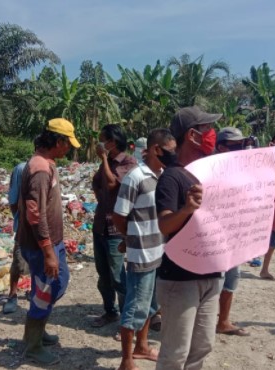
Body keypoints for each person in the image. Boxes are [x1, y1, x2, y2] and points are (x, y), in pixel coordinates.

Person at [155, 106, 222, 370]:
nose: (212, 135)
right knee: (175, 354)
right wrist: (187, 210)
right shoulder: (172, 178)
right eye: (208, 129)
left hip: (212, 274)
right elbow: (164, 224)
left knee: (203, 346)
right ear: (193, 136)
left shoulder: (210, 172)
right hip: (180, 279)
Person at [16, 118, 81, 365]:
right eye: (67, 144)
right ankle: (32, 346)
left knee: (50, 286)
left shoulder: (45, 164)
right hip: (42, 245)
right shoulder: (40, 169)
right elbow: (35, 214)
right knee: (47, 289)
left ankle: (37, 331)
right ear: (58, 141)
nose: (69, 149)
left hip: (50, 242)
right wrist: (48, 252)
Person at [113, 129, 174, 370]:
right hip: (142, 253)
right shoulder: (135, 177)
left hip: (159, 251)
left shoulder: (164, 176)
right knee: (134, 307)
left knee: (149, 305)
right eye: (170, 150)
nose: (174, 154)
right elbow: (119, 215)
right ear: (157, 149)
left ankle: (142, 346)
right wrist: (129, 238)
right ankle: (126, 361)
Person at [91, 124, 138, 327]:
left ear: (113, 141)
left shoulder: (129, 163)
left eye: (103, 139)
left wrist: (103, 159)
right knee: (103, 275)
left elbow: (111, 185)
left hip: (116, 228)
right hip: (100, 225)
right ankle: (110, 311)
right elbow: (98, 186)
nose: (100, 144)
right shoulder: (108, 161)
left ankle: (128, 319)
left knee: (119, 276)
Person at [214, 127, 250, 337]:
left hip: (234, 233)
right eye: (236, 145)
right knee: (212, 281)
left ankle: (224, 321)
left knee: (231, 277)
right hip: (215, 235)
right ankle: (206, 322)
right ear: (221, 147)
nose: (240, 149)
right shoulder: (210, 169)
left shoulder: (242, 169)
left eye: (241, 144)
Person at [2, 162, 31, 314]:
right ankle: (12, 295)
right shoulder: (21, 169)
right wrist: (19, 220)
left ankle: (33, 292)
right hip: (25, 225)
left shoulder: (50, 167)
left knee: (39, 261)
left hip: (43, 226)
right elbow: (13, 199)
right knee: (19, 261)